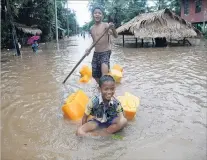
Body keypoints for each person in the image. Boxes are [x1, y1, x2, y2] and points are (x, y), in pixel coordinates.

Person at [85, 7, 118, 84]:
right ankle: (101, 88)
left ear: (102, 16)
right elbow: (94, 42)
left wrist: (112, 28)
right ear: (93, 15)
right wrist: (88, 49)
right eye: (95, 13)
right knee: (95, 75)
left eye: (99, 13)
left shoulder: (106, 25)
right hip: (96, 53)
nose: (97, 14)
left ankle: (105, 89)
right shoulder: (91, 28)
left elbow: (116, 36)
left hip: (105, 52)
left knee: (104, 75)